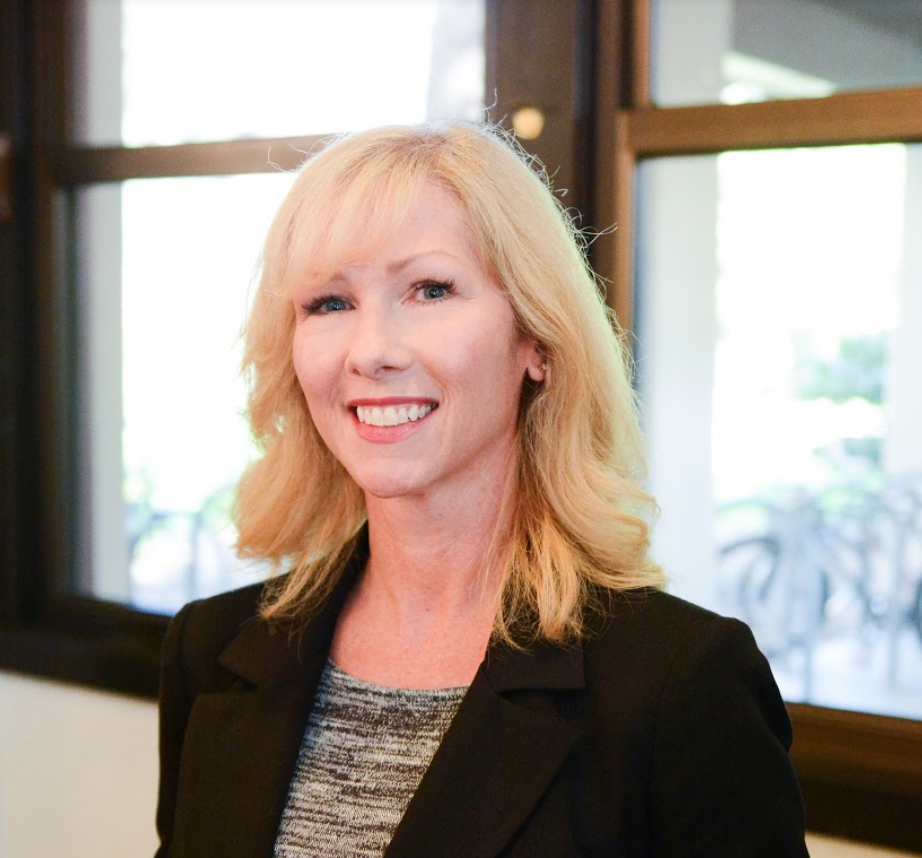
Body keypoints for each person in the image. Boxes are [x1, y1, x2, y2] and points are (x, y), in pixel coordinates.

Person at [155, 123, 809, 857]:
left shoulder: (681, 685)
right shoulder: (211, 651)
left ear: (537, 340)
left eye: (430, 289)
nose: (372, 351)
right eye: (329, 304)